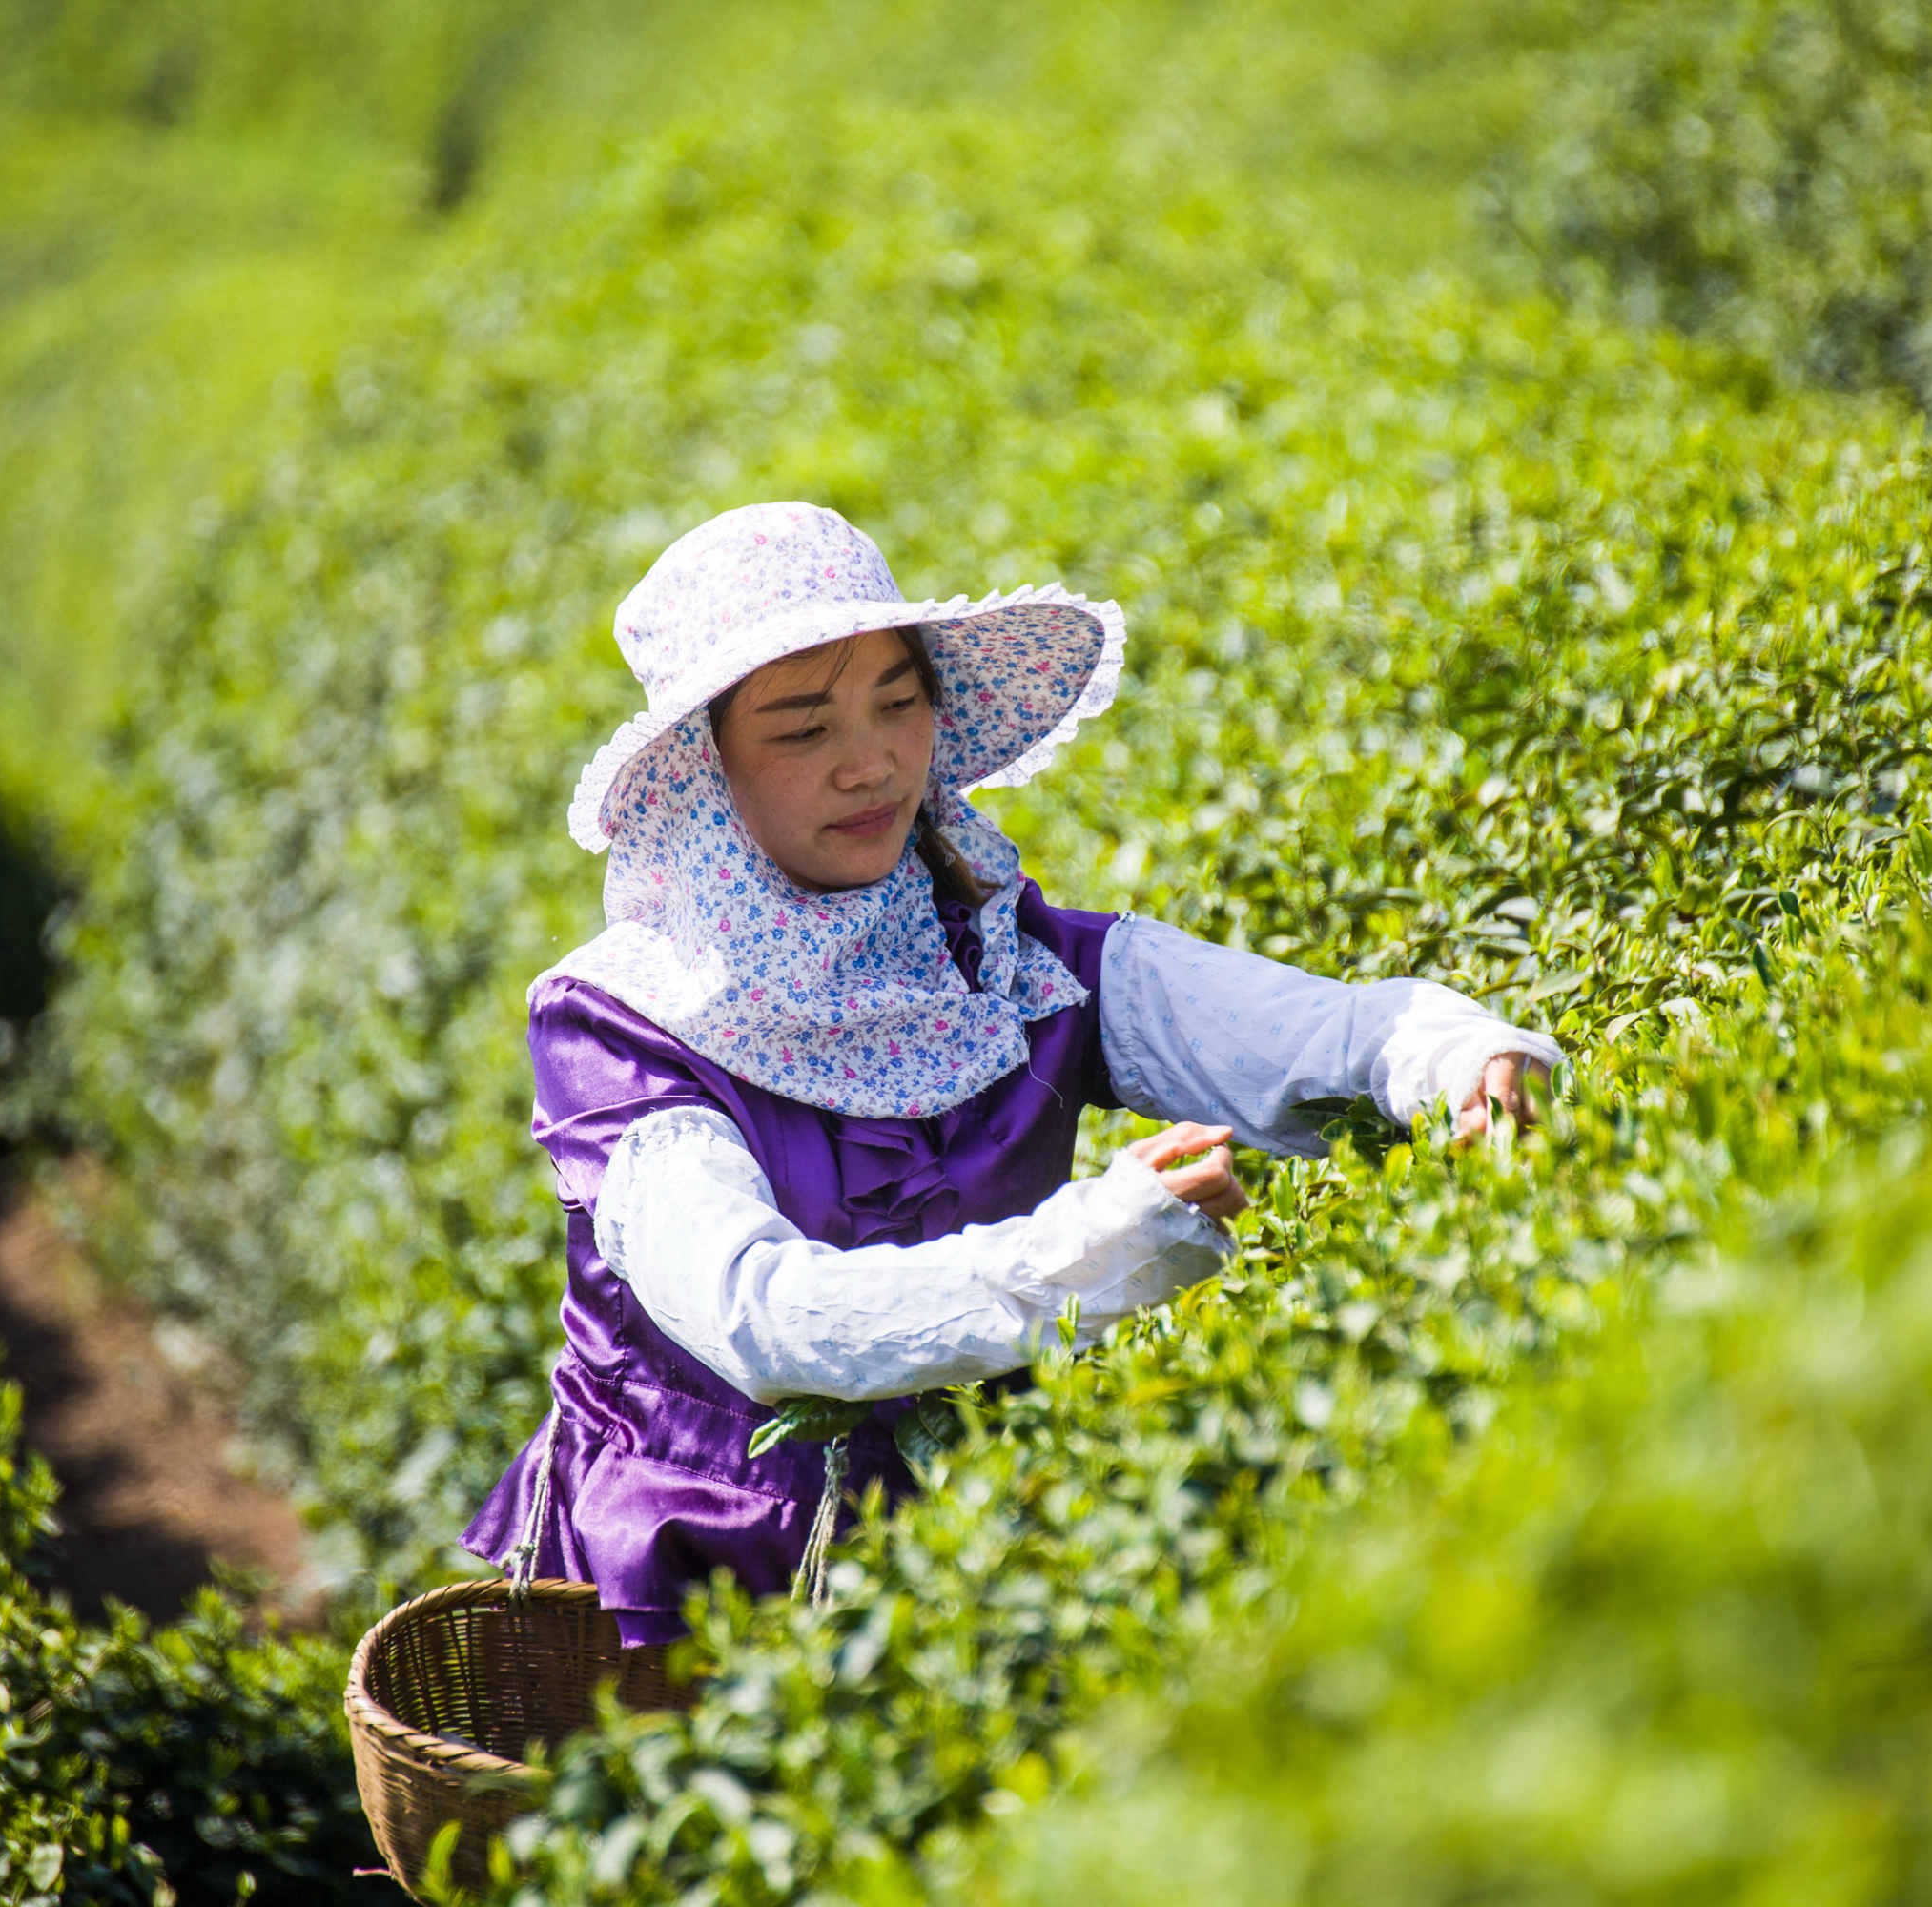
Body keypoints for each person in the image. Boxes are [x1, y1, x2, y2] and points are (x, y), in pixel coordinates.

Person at [461, 502, 1564, 1645]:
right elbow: (767, 1319)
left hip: (986, 1534)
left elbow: (1314, 1035)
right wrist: (1088, 1252)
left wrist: (1458, 1057)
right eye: (801, 728)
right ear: (705, 771)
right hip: (703, 1581)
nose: (872, 759)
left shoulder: (1005, 957)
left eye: (899, 701)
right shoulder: (631, 1027)